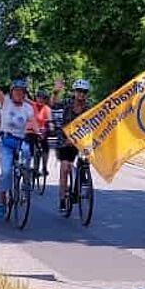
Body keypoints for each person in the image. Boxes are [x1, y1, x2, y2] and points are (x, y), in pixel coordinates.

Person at [0, 55, 38, 218]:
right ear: (12, 92)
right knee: (6, 172)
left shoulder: (27, 107)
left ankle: (25, 185)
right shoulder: (5, 102)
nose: (19, 94)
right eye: (16, 91)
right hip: (6, 141)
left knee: (27, 158)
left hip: (20, 141)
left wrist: (39, 132)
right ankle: (2, 200)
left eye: (21, 92)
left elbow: (33, 122)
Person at [52, 76, 91, 208]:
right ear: (74, 92)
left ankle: (82, 179)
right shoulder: (68, 102)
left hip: (81, 140)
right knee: (65, 168)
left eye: (84, 92)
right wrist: (56, 91)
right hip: (65, 140)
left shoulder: (88, 107)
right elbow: (53, 103)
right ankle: (63, 198)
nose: (81, 94)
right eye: (79, 91)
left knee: (86, 159)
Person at [29, 89, 53, 177]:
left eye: (43, 98)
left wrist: (50, 127)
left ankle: (44, 167)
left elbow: (50, 121)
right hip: (31, 131)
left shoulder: (47, 109)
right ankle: (33, 167)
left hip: (42, 132)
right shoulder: (32, 106)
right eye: (39, 98)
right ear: (36, 98)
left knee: (45, 148)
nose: (41, 100)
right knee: (32, 147)